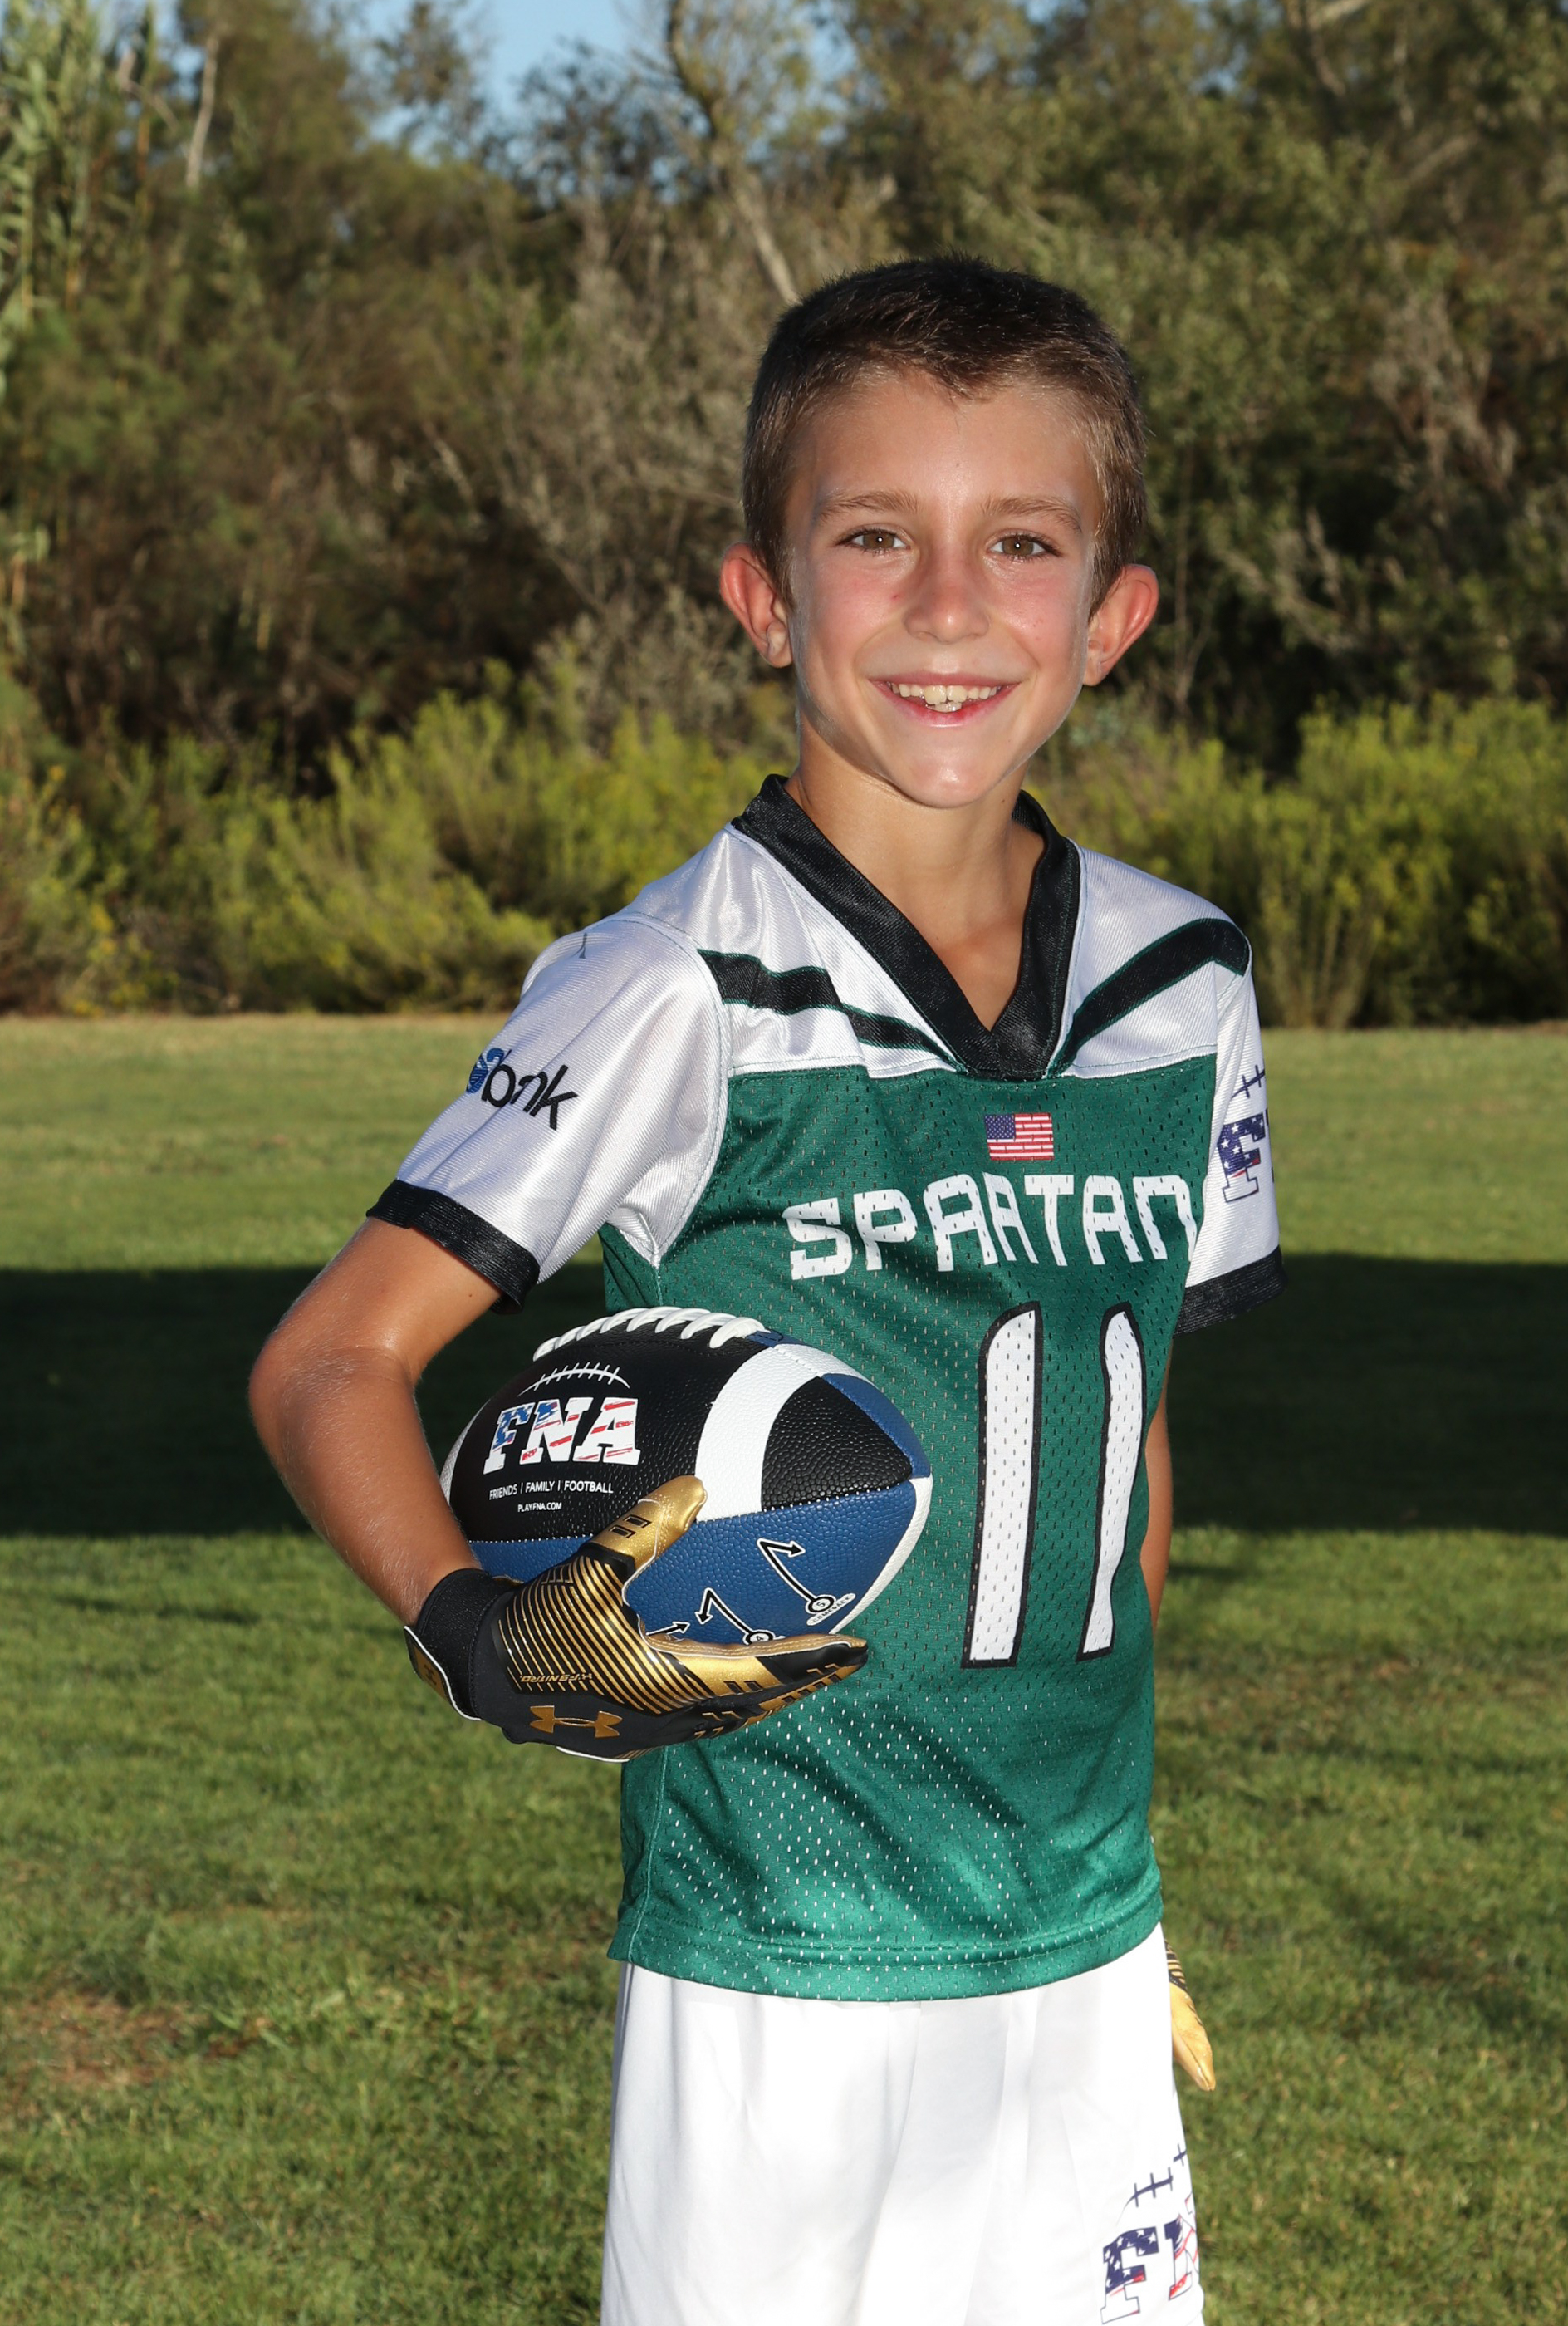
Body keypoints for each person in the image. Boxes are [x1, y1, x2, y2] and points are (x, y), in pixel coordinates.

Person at [251, 255, 1283, 2326]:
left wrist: (1102, 1880)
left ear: (1112, 615)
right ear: (763, 597)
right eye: (875, 536)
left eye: (1022, 544)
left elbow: (1126, 1445)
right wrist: (478, 1630)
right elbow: (331, 1358)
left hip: (1077, 1943)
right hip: (777, 1960)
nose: (948, 604)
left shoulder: (1185, 982)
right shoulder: (676, 981)